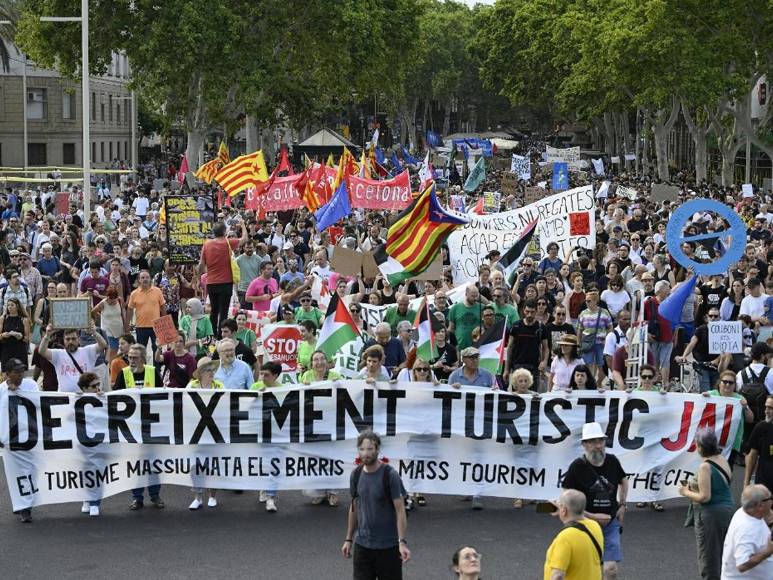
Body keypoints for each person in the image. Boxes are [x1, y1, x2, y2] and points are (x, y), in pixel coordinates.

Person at [562, 422, 628, 580]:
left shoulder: (612, 461)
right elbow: (566, 497)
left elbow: (623, 480)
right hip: (584, 525)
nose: (598, 445)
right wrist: (590, 516)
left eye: (600, 441)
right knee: (586, 567)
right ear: (584, 444)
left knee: (610, 569)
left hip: (610, 523)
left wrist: (623, 504)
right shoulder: (577, 467)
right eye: (593, 442)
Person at [341, 430, 410, 579]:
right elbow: (354, 507)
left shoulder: (390, 475)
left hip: (388, 548)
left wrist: (402, 542)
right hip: (363, 547)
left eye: (370, 449)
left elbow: (400, 511)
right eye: (362, 449)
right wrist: (348, 539)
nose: (365, 453)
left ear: (378, 449)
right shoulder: (356, 475)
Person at [677, 428, 735, 580]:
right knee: (721, 552)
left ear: (701, 447)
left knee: (708, 556)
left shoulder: (705, 466)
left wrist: (685, 492)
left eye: (697, 444)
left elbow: (705, 497)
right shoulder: (722, 459)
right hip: (726, 510)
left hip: (711, 514)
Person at [543, 489, 604, 580]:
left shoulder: (565, 537)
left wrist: (562, 510)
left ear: (564, 510)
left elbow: (558, 576)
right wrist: (562, 510)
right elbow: (575, 519)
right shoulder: (595, 526)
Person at [198, 221, 246, 334]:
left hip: (211, 282)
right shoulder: (228, 242)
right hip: (226, 282)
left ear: (213, 232)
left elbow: (201, 264)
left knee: (213, 311)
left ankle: (213, 334)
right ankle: (222, 334)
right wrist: (243, 225)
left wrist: (198, 277)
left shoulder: (207, 244)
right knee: (223, 311)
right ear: (225, 231)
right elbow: (244, 239)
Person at [720, 484, 773, 579]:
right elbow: (742, 565)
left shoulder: (744, 512)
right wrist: (767, 552)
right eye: (770, 498)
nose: (772, 500)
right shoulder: (747, 530)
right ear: (760, 505)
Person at [38, 323, 108, 392]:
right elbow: (42, 351)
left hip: (85, 398)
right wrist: (47, 335)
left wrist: (94, 333)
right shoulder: (58, 354)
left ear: (79, 339)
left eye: (73, 339)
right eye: (67, 339)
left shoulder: (87, 351)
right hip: (65, 399)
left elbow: (103, 345)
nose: (70, 342)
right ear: (63, 340)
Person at [704, 371, 754, 463]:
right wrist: (701, 399)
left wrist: (745, 407)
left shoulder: (739, 399)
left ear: (735, 385)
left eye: (731, 383)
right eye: (725, 381)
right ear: (719, 383)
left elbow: (750, 419)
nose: (727, 384)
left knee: (726, 470)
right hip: (710, 442)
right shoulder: (710, 395)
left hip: (731, 443)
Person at [76, 372, 105, 517]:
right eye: (94, 386)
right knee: (85, 472)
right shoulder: (76, 401)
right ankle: (87, 499)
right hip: (82, 445)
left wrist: (105, 400)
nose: (97, 388)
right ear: (84, 388)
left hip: (98, 444)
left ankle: (95, 502)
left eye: (98, 385)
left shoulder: (103, 399)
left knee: (97, 471)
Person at [127, 269, 166, 355]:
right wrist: (127, 325)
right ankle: (142, 368)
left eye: (147, 277)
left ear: (150, 279)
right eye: (142, 277)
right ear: (139, 280)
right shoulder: (134, 293)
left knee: (157, 349)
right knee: (141, 351)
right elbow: (129, 310)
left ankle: (157, 369)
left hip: (156, 326)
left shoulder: (157, 291)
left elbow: (163, 307)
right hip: (141, 327)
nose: (145, 279)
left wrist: (165, 322)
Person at [745, 394, 773, 493]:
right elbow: (752, 455)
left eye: (770, 408)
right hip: (763, 486)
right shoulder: (760, 427)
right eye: (766, 407)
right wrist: (746, 484)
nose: (766, 411)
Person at [0, 297, 30, 370]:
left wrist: (20, 336)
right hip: (6, 349)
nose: (9, 307)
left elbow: (27, 339)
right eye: (8, 305)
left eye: (12, 305)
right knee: (5, 375)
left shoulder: (24, 320)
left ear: (17, 306)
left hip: (19, 350)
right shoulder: (3, 318)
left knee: (19, 375)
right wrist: (3, 335)